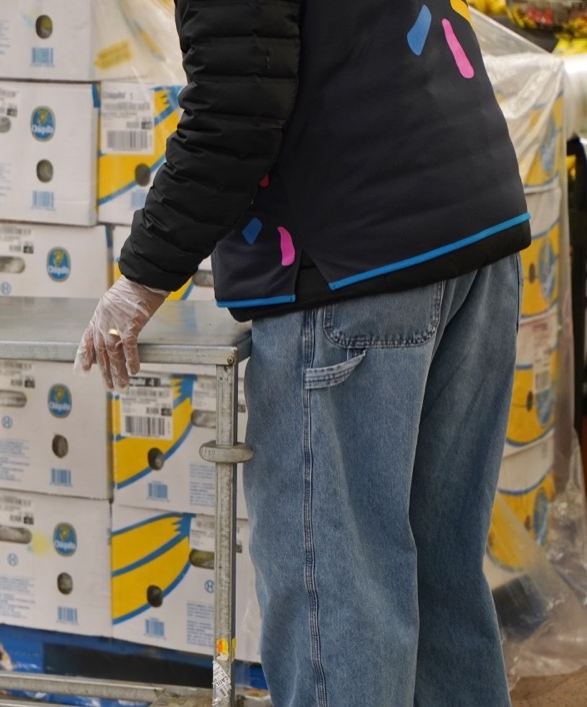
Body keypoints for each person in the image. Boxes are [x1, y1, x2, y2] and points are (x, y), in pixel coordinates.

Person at [76, 2, 528, 705]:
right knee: (441, 573)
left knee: (339, 590)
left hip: (353, 264)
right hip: (472, 228)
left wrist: (142, 277)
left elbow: (235, 107)